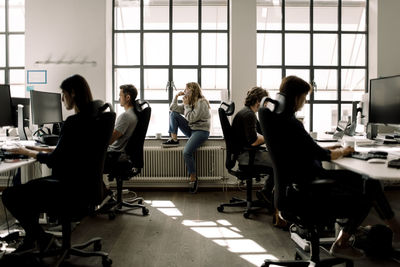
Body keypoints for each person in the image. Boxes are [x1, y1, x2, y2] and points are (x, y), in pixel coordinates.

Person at [274, 75, 400, 260]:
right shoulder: (292, 123)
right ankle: (347, 242)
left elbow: (308, 149)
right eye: (304, 97)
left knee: (366, 182)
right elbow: (321, 155)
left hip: (301, 184)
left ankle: (390, 230)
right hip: (311, 184)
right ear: (295, 97)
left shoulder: (282, 120)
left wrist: (333, 147)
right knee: (369, 189)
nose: (305, 101)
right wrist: (342, 151)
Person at [1, 74, 106, 254]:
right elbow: (69, 152)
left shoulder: (74, 122)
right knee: (30, 190)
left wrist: (27, 152)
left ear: (72, 93)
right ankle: (33, 239)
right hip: (88, 188)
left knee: (11, 194)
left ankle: (42, 238)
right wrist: (46, 150)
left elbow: (55, 160)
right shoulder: (92, 117)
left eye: (64, 94)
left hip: (69, 189)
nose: (63, 99)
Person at [162, 82, 211, 193]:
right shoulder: (190, 102)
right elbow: (173, 108)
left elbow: (191, 118)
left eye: (186, 89)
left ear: (192, 90)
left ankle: (193, 178)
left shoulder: (201, 102)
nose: (184, 90)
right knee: (173, 114)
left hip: (201, 131)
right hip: (192, 130)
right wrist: (176, 97)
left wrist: (186, 105)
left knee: (186, 152)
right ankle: (174, 139)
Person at [231, 87, 274, 206]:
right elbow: (254, 141)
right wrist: (268, 138)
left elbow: (261, 132)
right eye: (265, 102)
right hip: (247, 157)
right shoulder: (248, 115)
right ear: (257, 101)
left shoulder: (248, 112)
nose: (266, 105)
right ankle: (267, 192)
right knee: (280, 163)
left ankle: (266, 192)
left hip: (245, 155)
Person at [104, 84, 138, 173]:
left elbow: (109, 140)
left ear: (127, 97)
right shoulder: (133, 114)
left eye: (120, 95)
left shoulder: (125, 116)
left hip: (113, 155)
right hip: (118, 153)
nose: (119, 98)